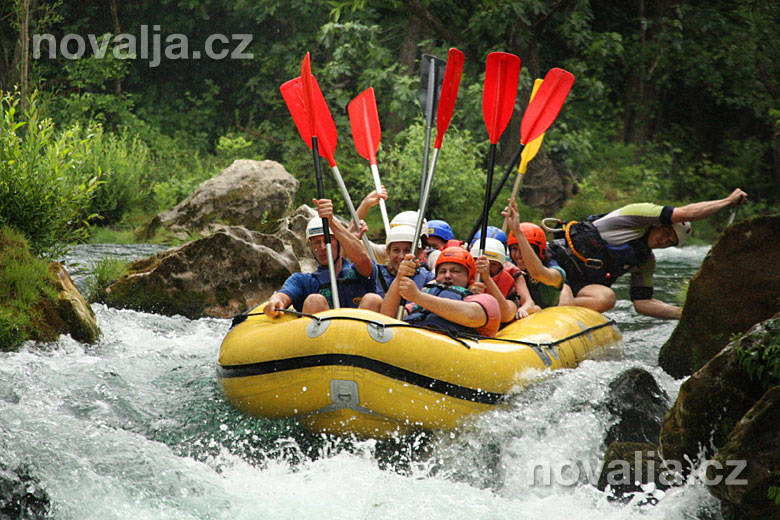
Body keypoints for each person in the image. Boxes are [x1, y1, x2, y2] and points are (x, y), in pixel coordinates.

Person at [546, 189, 748, 319]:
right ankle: (556, 303)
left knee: (607, 298)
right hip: (553, 267)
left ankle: (558, 305)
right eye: (667, 233)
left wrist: (684, 314)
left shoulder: (645, 261)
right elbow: (686, 213)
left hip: (578, 287)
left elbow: (643, 304)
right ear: (658, 224)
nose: (664, 241)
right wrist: (727, 201)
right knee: (564, 297)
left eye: (671, 242)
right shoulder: (634, 217)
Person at [263, 198, 383, 317]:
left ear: (339, 242)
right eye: (316, 242)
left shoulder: (359, 272)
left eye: (327, 240)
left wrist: (331, 221)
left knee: (372, 299)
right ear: (310, 247)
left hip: (362, 333)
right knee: (314, 300)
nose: (323, 247)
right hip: (323, 334)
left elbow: (362, 258)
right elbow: (283, 295)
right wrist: (277, 299)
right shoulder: (303, 281)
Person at [380, 246, 501, 337]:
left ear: (470, 277)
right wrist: (399, 277)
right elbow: (387, 317)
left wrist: (417, 296)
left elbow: (471, 316)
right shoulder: (426, 296)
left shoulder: (485, 300)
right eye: (442, 272)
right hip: (413, 339)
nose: (447, 276)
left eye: (455, 271)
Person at [503, 198, 573, 311]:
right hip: (519, 316)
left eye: (524, 249)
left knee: (566, 294)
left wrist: (518, 233)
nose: (518, 255)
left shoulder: (556, 273)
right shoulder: (507, 265)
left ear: (539, 252)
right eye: (515, 249)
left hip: (546, 320)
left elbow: (537, 273)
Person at [469, 237, 526, 323]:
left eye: (493, 264)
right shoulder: (462, 275)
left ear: (500, 267)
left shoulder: (507, 280)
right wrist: (469, 294)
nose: (487, 267)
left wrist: (487, 279)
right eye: (481, 263)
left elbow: (506, 316)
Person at [376, 225, 435, 296]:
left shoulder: (427, 278)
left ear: (418, 253)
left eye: (407, 250)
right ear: (388, 252)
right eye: (396, 250)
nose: (401, 256)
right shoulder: (376, 275)